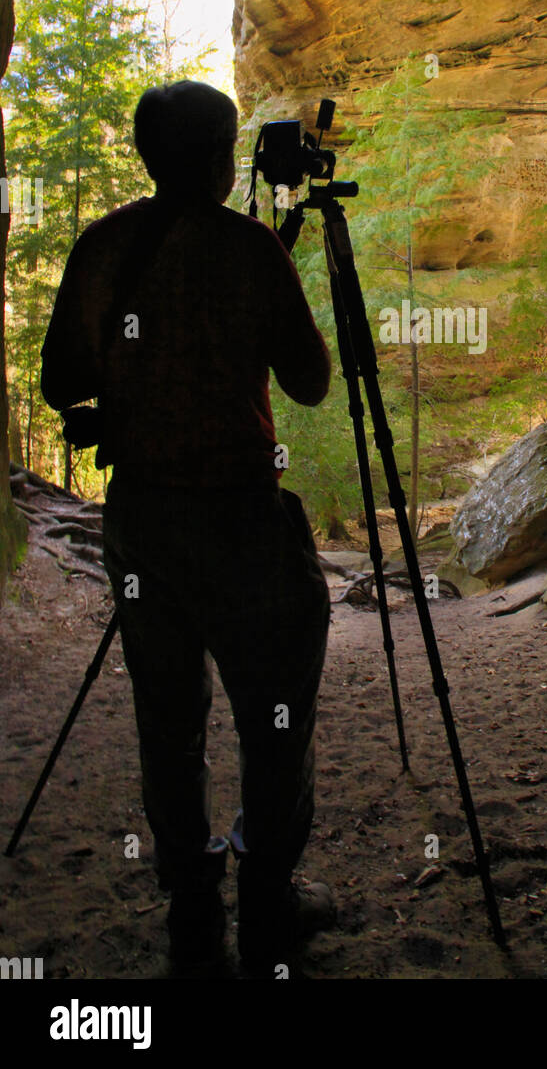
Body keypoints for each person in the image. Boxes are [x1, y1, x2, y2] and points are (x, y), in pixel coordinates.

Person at [40, 80, 334, 976]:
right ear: (217, 159)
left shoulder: (104, 247)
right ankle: (268, 899)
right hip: (239, 517)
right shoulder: (248, 250)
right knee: (274, 714)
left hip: (142, 524)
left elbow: (60, 383)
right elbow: (312, 382)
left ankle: (192, 910)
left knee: (168, 719)